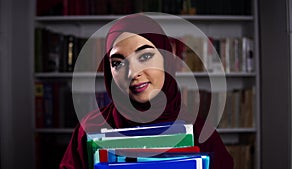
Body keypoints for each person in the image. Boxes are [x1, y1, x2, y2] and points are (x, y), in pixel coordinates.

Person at [60, 13, 233, 169]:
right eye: (117, 63)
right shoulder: (89, 129)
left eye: (145, 57)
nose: (132, 73)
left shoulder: (200, 132)